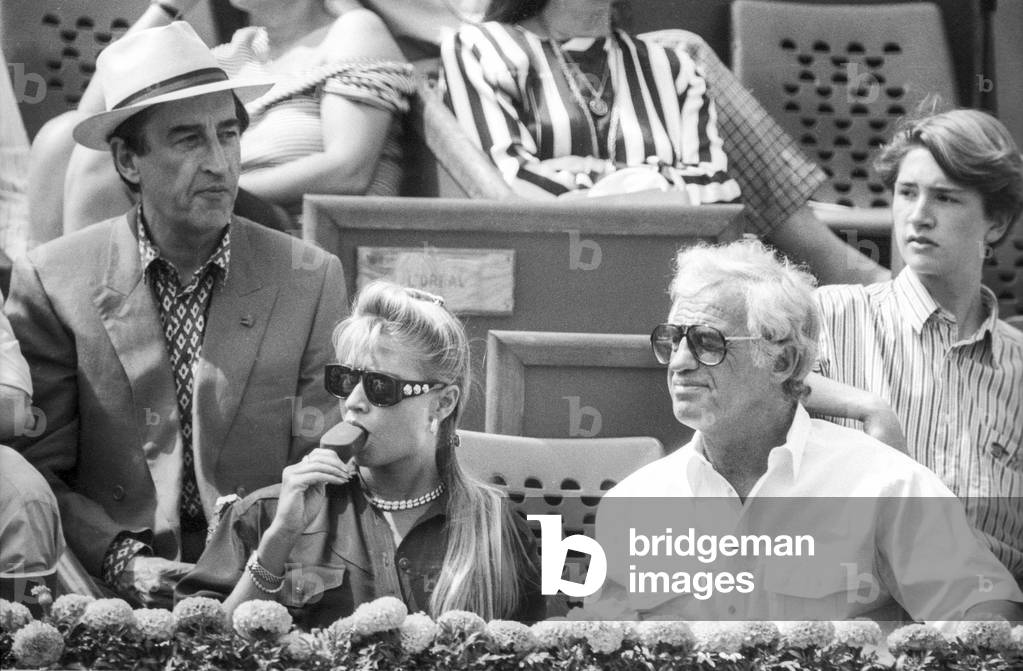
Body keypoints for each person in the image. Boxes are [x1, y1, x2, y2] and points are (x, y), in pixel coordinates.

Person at [5, 22, 347, 608]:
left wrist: (259, 569)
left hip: (272, 581)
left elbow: (326, 458)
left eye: (229, 134)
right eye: (188, 140)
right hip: (107, 587)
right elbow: (38, 470)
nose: (218, 162)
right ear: (127, 161)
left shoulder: (311, 278)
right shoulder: (53, 281)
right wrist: (122, 561)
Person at [590, 239, 1022, 623]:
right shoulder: (629, 506)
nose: (680, 363)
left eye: (706, 342)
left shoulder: (882, 486)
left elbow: (986, 609)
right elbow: (596, 649)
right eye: (671, 340)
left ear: (782, 362)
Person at [441, 0, 888, 285]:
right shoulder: (482, 48)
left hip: (667, 276)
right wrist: (656, 182)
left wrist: (587, 179)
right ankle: (848, 270)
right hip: (548, 272)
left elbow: (716, 189)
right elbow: (511, 185)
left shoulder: (671, 66)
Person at [176, 281, 544, 627]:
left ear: (442, 403)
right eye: (345, 380)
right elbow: (200, 653)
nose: (353, 402)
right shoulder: (264, 516)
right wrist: (277, 543)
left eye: (379, 386)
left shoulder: (496, 530)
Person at [805, 108, 1023, 583]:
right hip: (848, 608)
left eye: (945, 198)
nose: (919, 216)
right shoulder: (833, 315)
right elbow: (732, 374)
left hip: (987, 624)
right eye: (907, 193)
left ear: (997, 223)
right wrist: (865, 406)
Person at [29, 0, 414, 242]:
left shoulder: (351, 31)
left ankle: (72, 335)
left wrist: (203, 187)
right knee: (59, 138)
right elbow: (93, 122)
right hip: (215, 215)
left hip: (299, 234)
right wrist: (167, 6)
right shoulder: (239, 53)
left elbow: (348, 170)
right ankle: (40, 323)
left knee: (111, 165)